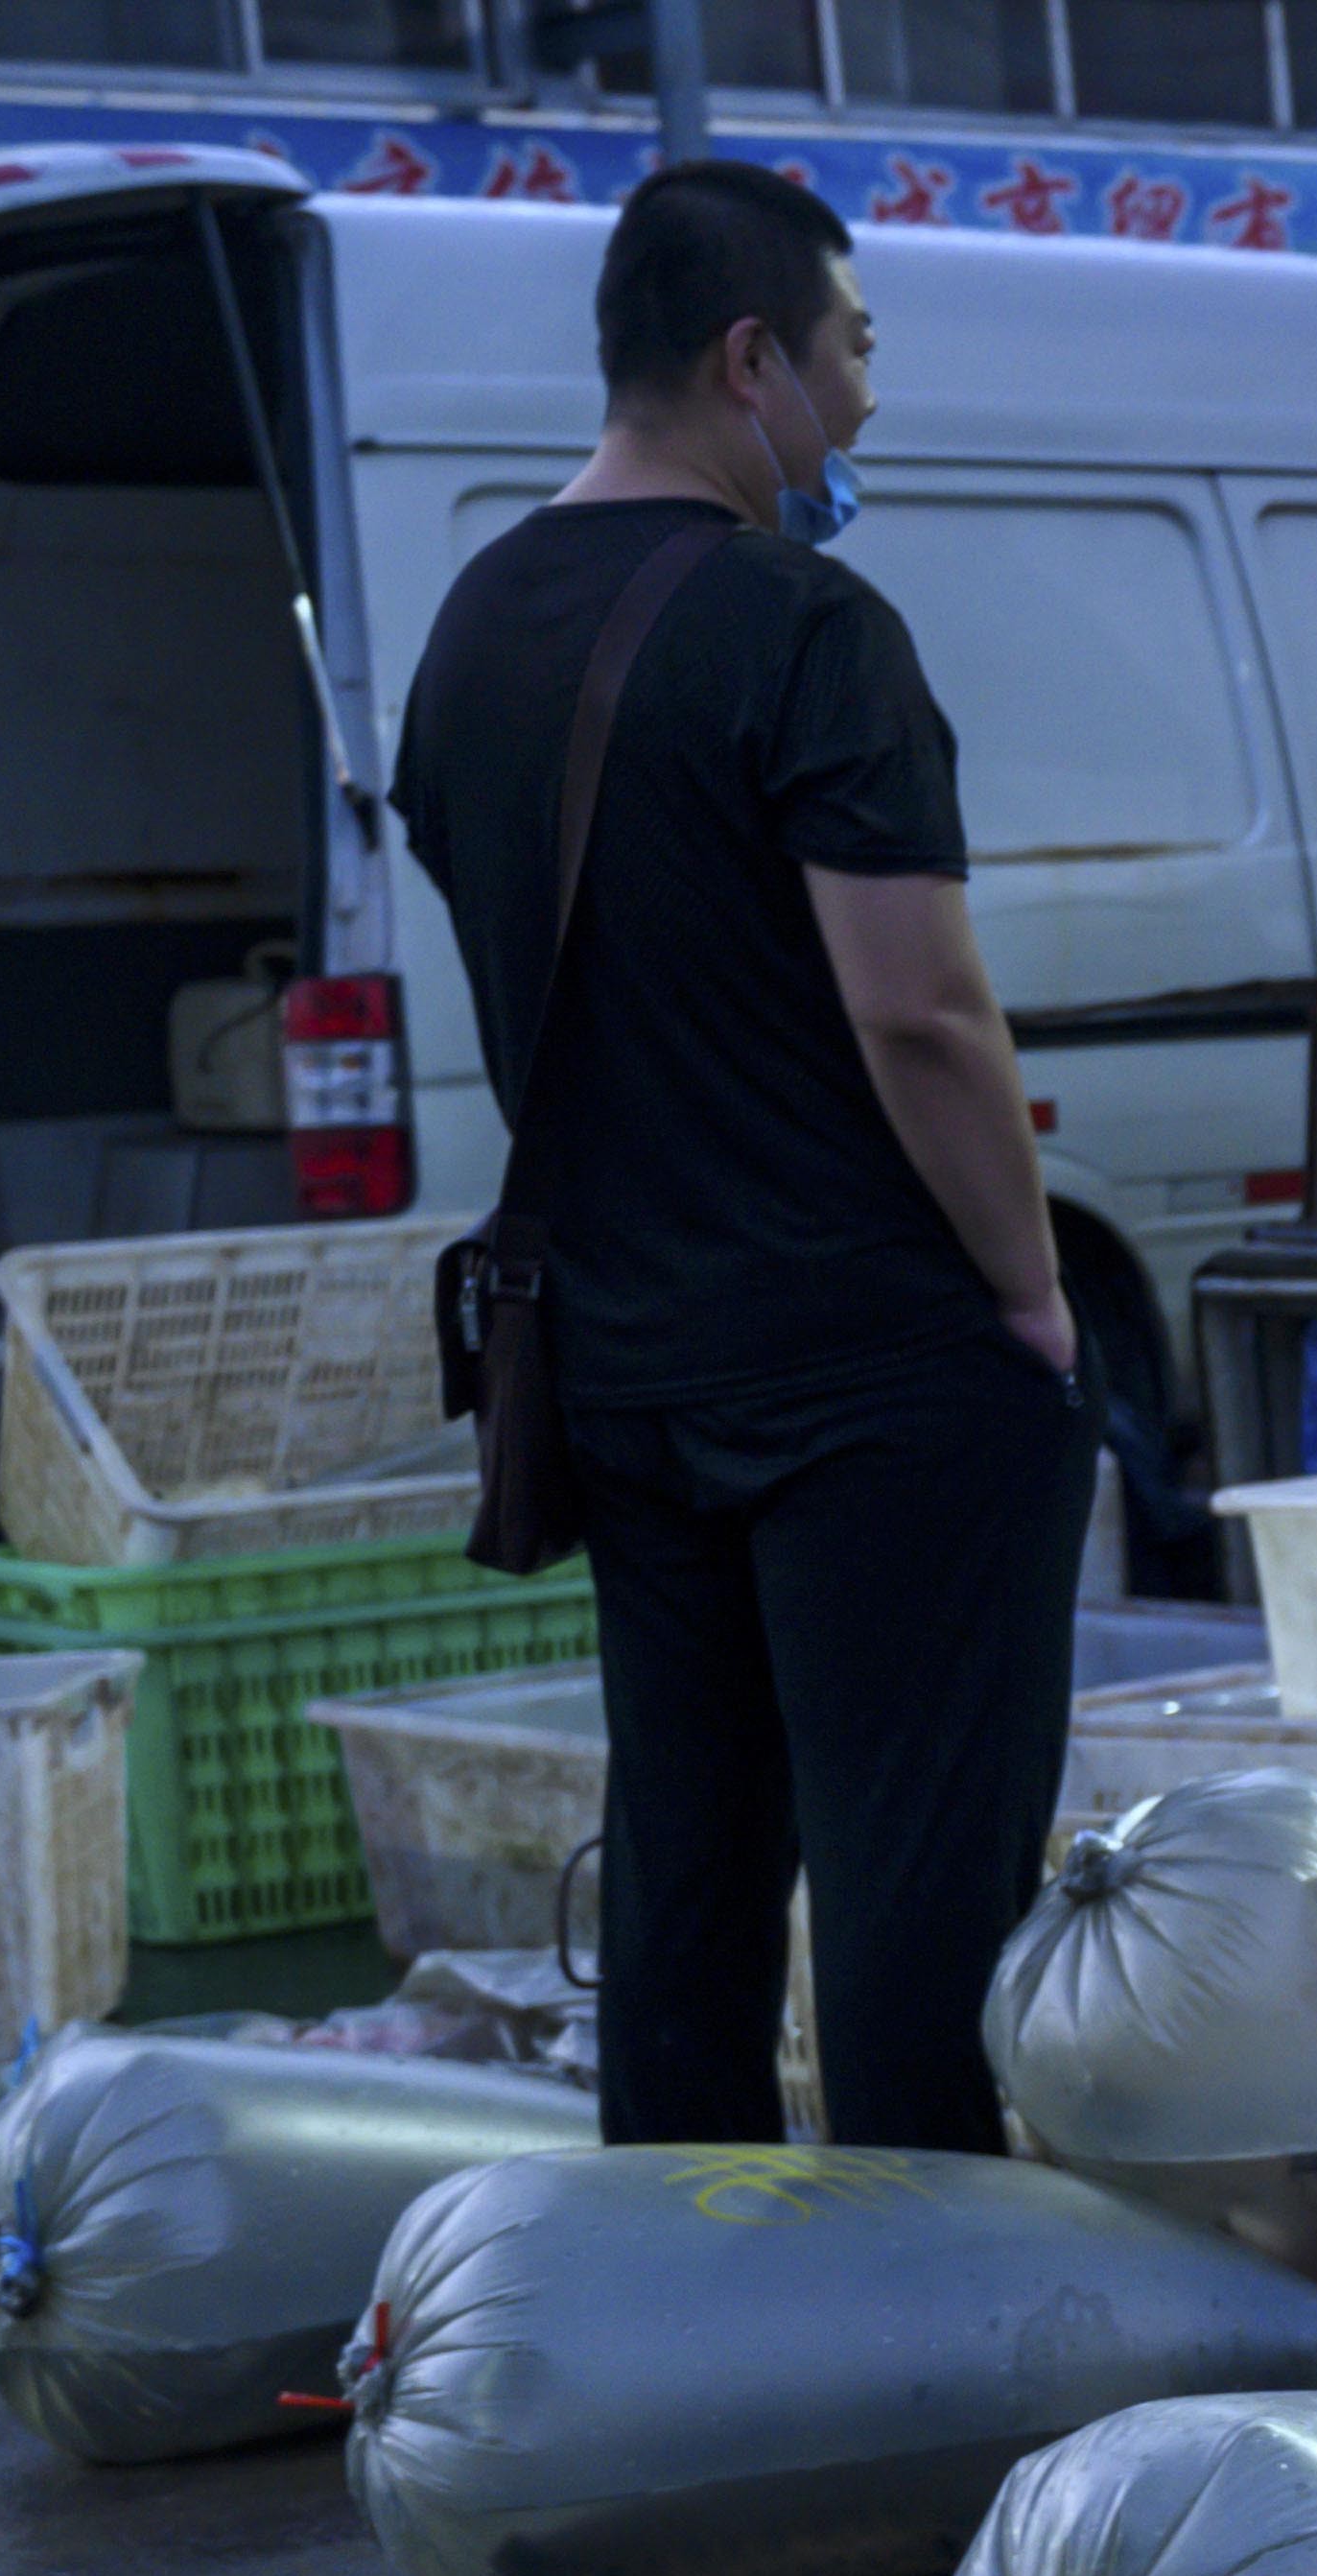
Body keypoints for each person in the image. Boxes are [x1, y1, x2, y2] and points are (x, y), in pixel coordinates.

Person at [390, 159, 1087, 2155]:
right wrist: (1030, 1297)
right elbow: (921, 1014)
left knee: (685, 1873)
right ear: (750, 354)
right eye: (855, 345)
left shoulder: (469, 634)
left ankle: (686, 2347)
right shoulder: (806, 626)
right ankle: (931, 2355)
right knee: (916, 1882)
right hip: (871, 1367)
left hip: (620, 1361)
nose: (868, 398)